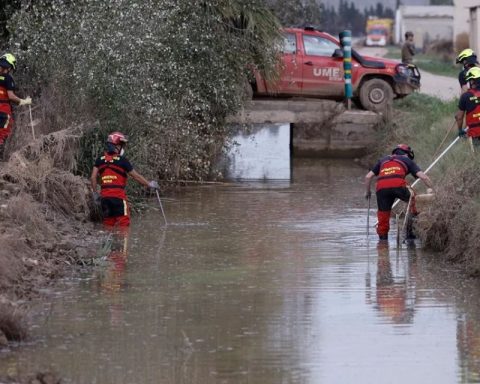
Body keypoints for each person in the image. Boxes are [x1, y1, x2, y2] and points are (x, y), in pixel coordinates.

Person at [365, 144, 434, 241]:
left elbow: (368, 177)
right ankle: (409, 234)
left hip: (381, 188)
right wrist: (434, 189)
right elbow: (424, 177)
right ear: (406, 154)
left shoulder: (383, 160)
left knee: (383, 214)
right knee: (413, 200)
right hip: (398, 185)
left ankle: (383, 243)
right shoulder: (406, 160)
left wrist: (368, 192)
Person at [90, 131, 159, 227]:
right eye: (122, 145)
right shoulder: (122, 161)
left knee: (108, 224)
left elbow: (93, 177)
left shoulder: (99, 159)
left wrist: (95, 194)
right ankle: (123, 241)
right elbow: (136, 176)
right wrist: (149, 184)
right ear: (116, 146)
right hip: (118, 197)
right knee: (124, 225)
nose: (123, 148)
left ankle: (108, 241)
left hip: (104, 198)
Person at [0, 53, 31, 148]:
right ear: (9, 67)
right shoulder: (8, 78)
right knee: (2, 135)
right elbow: (11, 96)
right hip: (3, 111)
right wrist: (24, 101)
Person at [456, 66, 480, 147]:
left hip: (475, 133)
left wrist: (460, 130)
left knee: (476, 156)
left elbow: (459, 117)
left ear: (472, 81)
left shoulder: (465, 96)